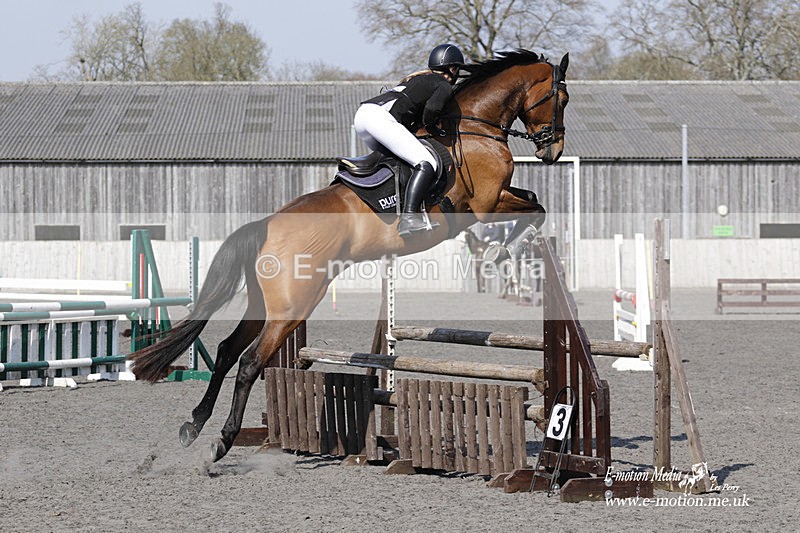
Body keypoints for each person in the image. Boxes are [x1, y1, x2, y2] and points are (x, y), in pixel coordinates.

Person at [353, 44, 464, 236]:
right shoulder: (442, 84)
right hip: (378, 119)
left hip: (363, 116)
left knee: (401, 161)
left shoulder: (418, 78)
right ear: (453, 69)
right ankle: (409, 217)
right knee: (426, 162)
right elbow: (432, 110)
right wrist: (433, 128)